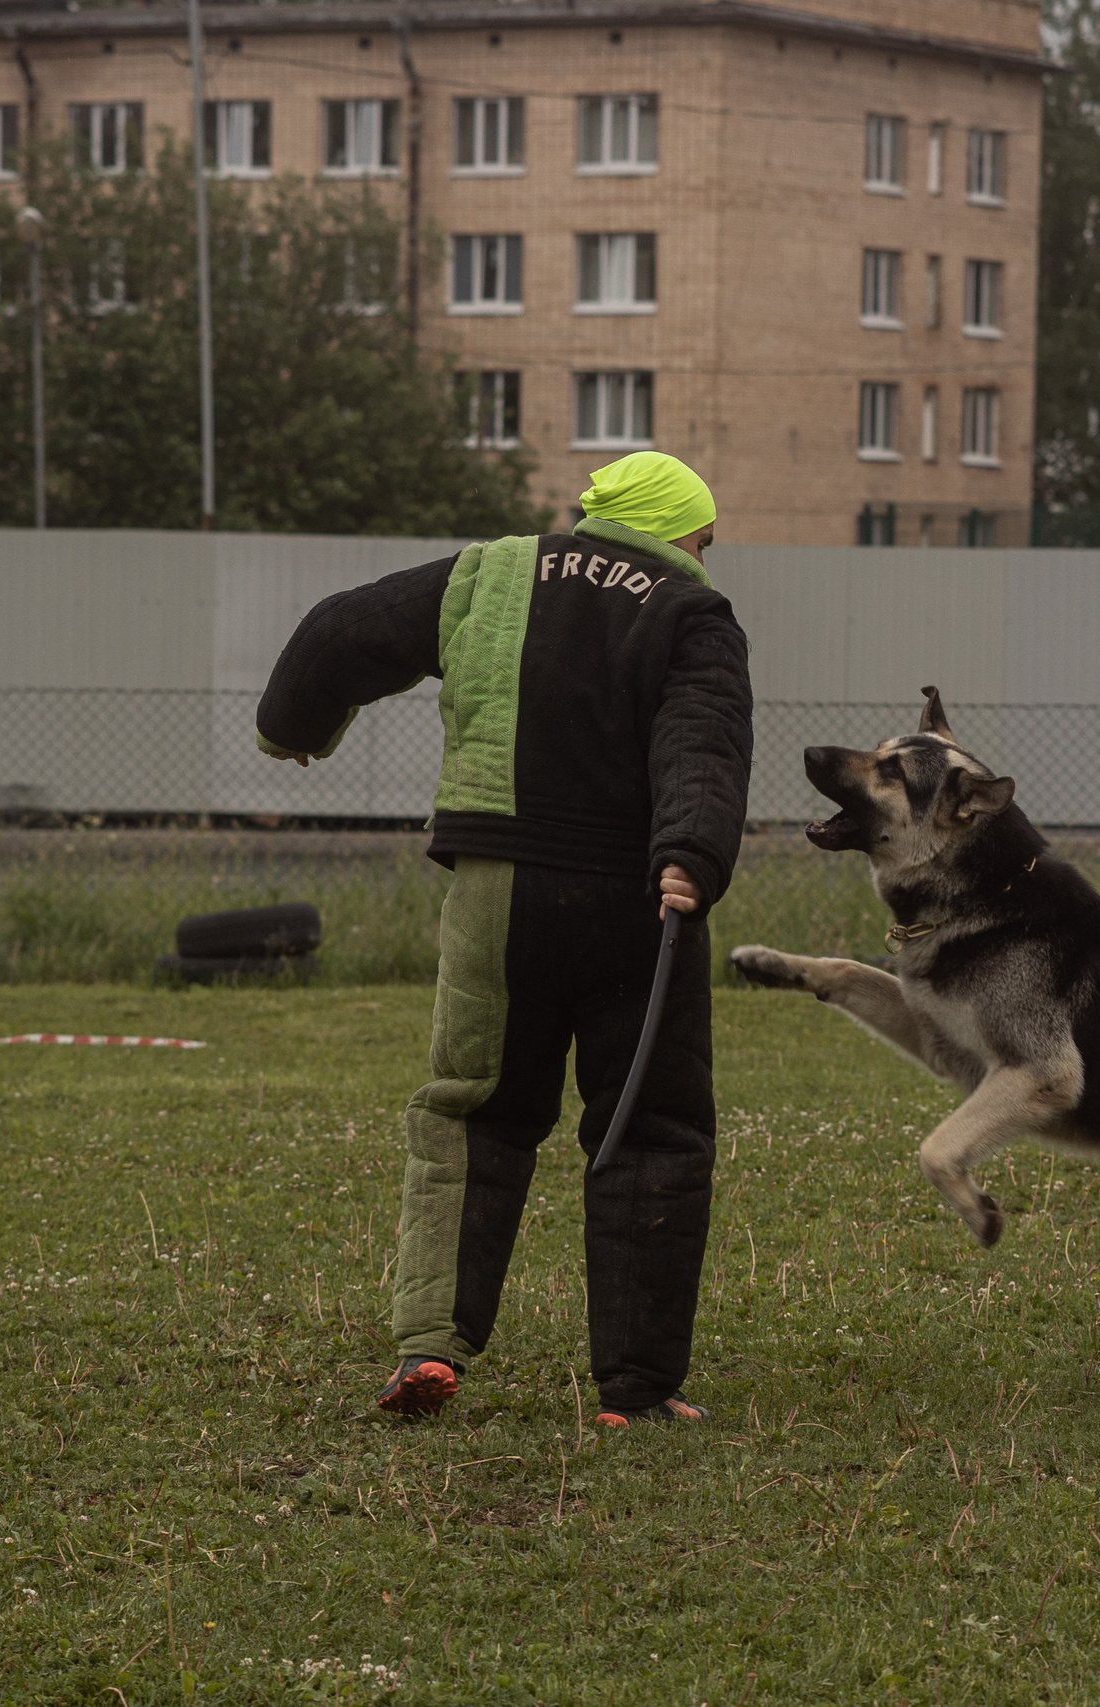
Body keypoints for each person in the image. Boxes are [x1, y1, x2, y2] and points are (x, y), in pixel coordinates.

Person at [255, 451, 753, 1425]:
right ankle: (636, 1392)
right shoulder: (694, 615)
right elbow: (703, 735)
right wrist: (692, 848)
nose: (705, 555)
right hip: (638, 901)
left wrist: (293, 728)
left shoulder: (491, 571)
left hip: (497, 890)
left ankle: (428, 1348)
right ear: (677, 533)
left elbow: (340, 632)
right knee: (650, 1129)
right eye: (703, 538)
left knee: (469, 1113)